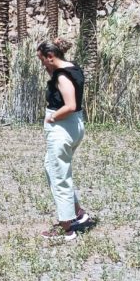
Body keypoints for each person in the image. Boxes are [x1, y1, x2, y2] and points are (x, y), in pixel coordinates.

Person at [37, 38, 90, 241]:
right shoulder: (72, 67)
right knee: (53, 168)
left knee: (59, 176)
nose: (42, 64)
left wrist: (52, 117)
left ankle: (66, 228)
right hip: (73, 127)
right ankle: (78, 212)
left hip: (63, 127)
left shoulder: (62, 77)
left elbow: (70, 105)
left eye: (43, 59)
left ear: (51, 57)